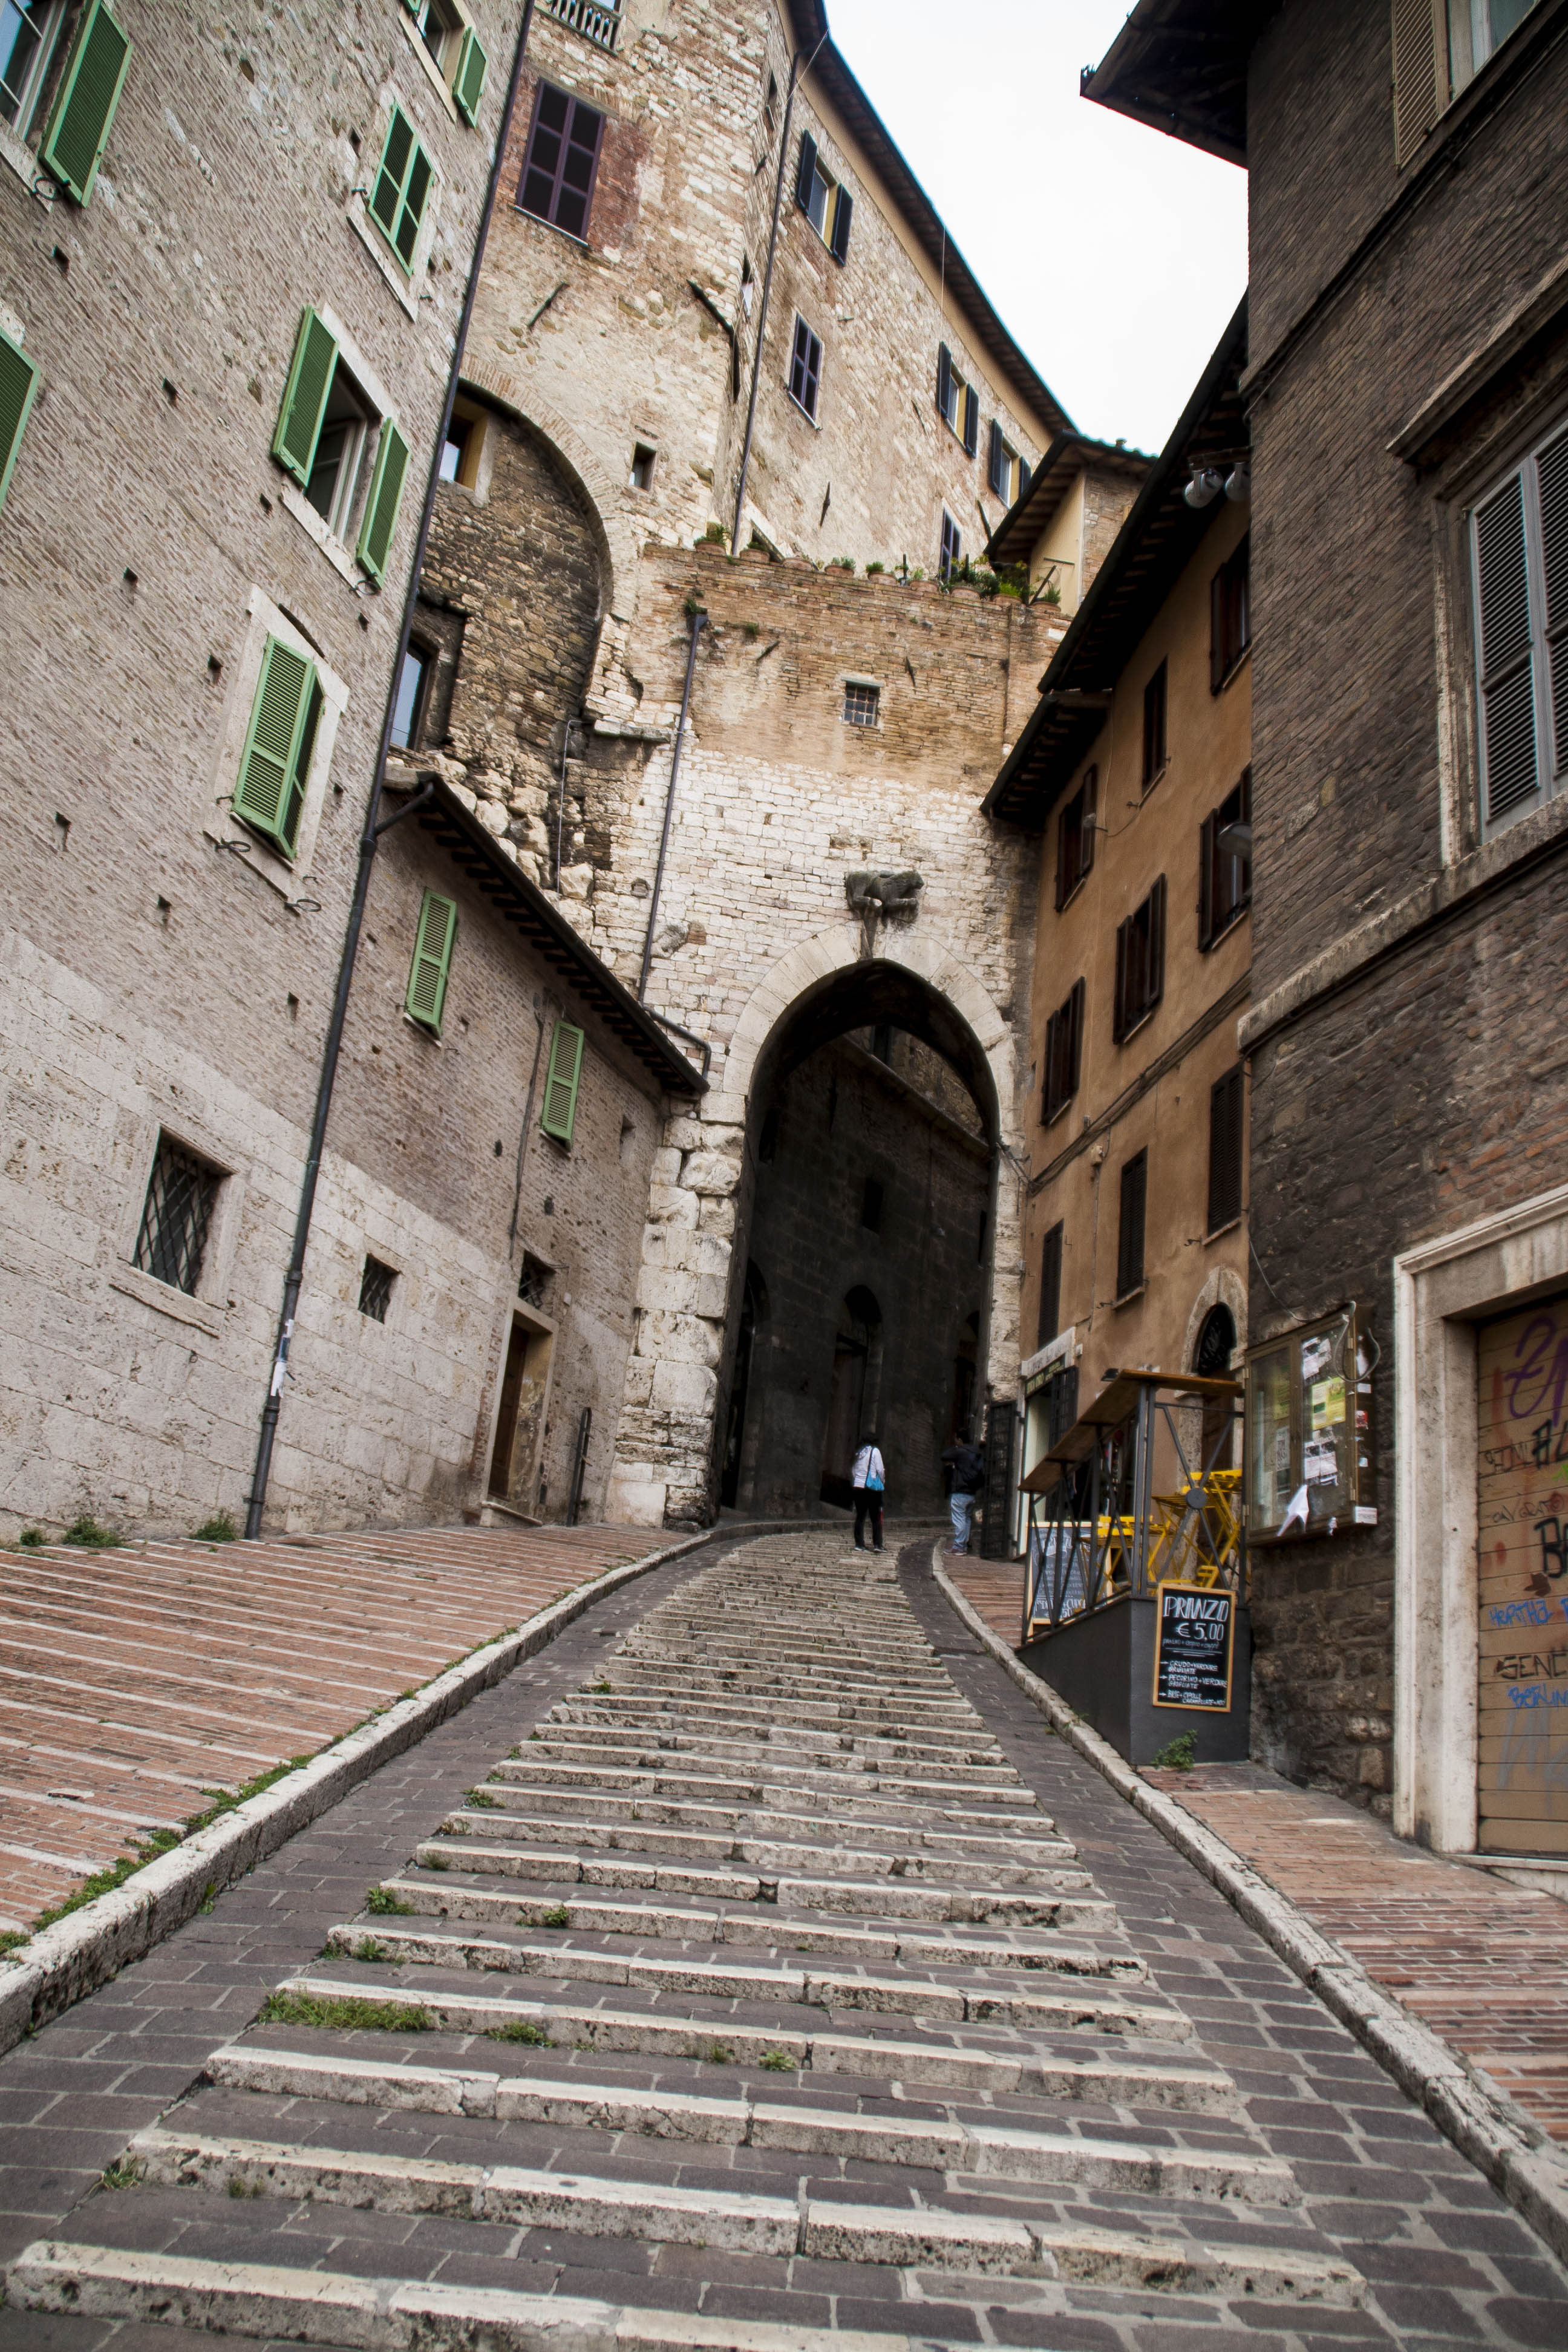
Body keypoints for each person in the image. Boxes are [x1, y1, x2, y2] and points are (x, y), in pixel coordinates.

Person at [942, 1432, 985, 1555]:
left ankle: (958, 1546)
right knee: (966, 1519)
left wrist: (957, 1448)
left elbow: (944, 1455)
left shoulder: (961, 1452)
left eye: (956, 1439)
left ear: (959, 1439)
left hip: (960, 1492)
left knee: (959, 1520)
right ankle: (964, 1546)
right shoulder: (976, 1452)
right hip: (972, 1493)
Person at [851, 1431, 886, 1551]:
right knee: (875, 1518)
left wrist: (858, 1480)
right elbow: (880, 1470)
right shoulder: (875, 1451)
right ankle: (877, 1545)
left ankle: (859, 1544)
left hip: (858, 1487)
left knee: (860, 1516)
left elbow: (854, 1470)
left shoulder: (859, 1452)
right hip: (871, 1488)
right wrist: (882, 1481)